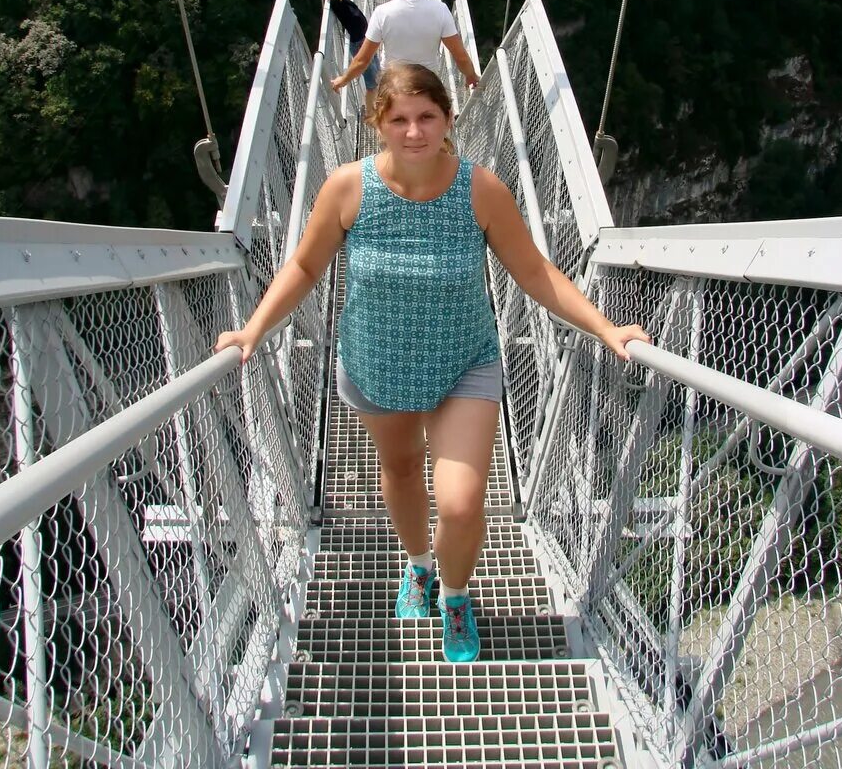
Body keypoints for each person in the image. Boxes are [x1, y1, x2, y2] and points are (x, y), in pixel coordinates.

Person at [215, 63, 650, 663]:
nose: (414, 131)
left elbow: (534, 271)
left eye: (426, 117)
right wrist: (253, 330)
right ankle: (418, 566)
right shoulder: (347, 187)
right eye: (399, 119)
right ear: (377, 124)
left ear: (448, 119)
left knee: (462, 502)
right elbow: (304, 268)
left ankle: (453, 595)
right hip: (377, 363)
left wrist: (605, 329)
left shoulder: (481, 189)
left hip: (462, 363)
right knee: (399, 471)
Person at [330, 0, 480, 95]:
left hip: (393, 89)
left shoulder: (382, 13)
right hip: (427, 88)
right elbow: (459, 55)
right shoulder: (441, 11)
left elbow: (362, 60)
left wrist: (343, 80)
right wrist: (471, 76)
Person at [320, 0, 379, 117]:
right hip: (360, 43)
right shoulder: (336, 1)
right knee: (371, 82)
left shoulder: (338, 0)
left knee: (376, 75)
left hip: (365, 40)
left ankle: (374, 108)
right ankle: (370, 114)